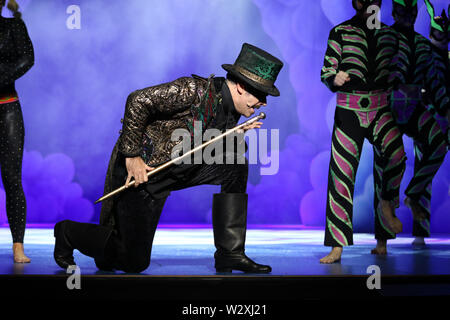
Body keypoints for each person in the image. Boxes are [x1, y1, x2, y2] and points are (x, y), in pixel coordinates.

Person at [53, 43, 283, 273]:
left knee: (236, 165)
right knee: (132, 262)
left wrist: (235, 135)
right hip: (144, 175)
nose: (264, 103)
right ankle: (68, 233)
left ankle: (230, 254)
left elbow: (205, 144)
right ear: (242, 86)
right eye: (261, 94)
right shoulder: (193, 90)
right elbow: (137, 100)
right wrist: (132, 156)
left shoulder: (231, 110)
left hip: (181, 170)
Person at [320, 0, 406, 263]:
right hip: (350, 107)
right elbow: (327, 70)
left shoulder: (391, 35)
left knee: (394, 155)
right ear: (356, 3)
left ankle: (386, 213)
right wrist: (334, 78)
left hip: (381, 106)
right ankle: (337, 245)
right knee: (342, 174)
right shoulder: (341, 32)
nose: (371, 3)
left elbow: (400, 71)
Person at [0, 0, 34, 263]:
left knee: (12, 178)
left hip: (7, 107)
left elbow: (27, 58)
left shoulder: (14, 26)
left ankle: (17, 246)